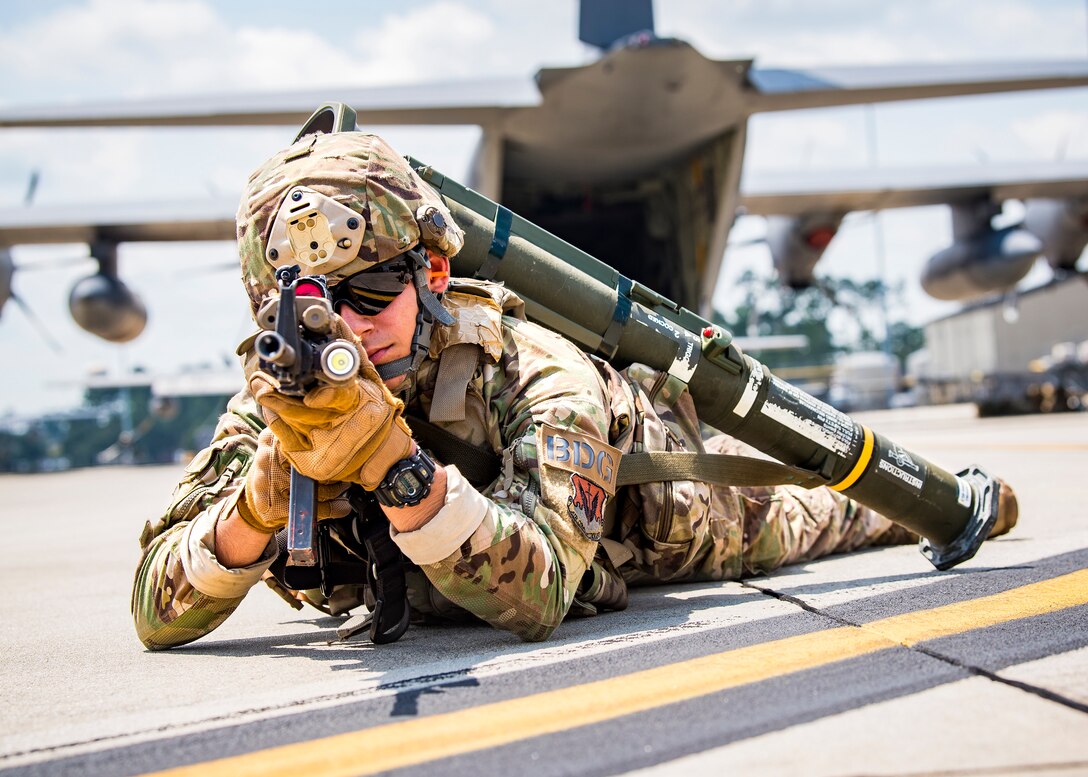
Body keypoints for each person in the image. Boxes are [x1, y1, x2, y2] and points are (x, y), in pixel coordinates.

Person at [131, 131, 1016, 649]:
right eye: (325, 306)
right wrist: (257, 506)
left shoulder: (526, 365)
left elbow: (543, 590)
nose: (354, 331)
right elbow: (152, 611)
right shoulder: (277, 398)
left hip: (666, 519)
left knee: (830, 515)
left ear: (433, 270)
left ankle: (960, 498)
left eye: (376, 295)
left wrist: (394, 467)